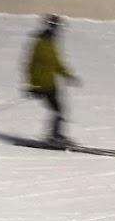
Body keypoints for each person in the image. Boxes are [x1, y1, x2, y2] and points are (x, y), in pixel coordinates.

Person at [26, 14, 80, 145]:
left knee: (58, 110)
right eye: (57, 28)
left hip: (50, 83)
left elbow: (56, 64)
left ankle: (55, 135)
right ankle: (54, 136)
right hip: (43, 84)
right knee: (58, 110)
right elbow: (32, 65)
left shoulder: (51, 44)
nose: (59, 31)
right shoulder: (41, 44)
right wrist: (34, 86)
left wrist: (68, 75)